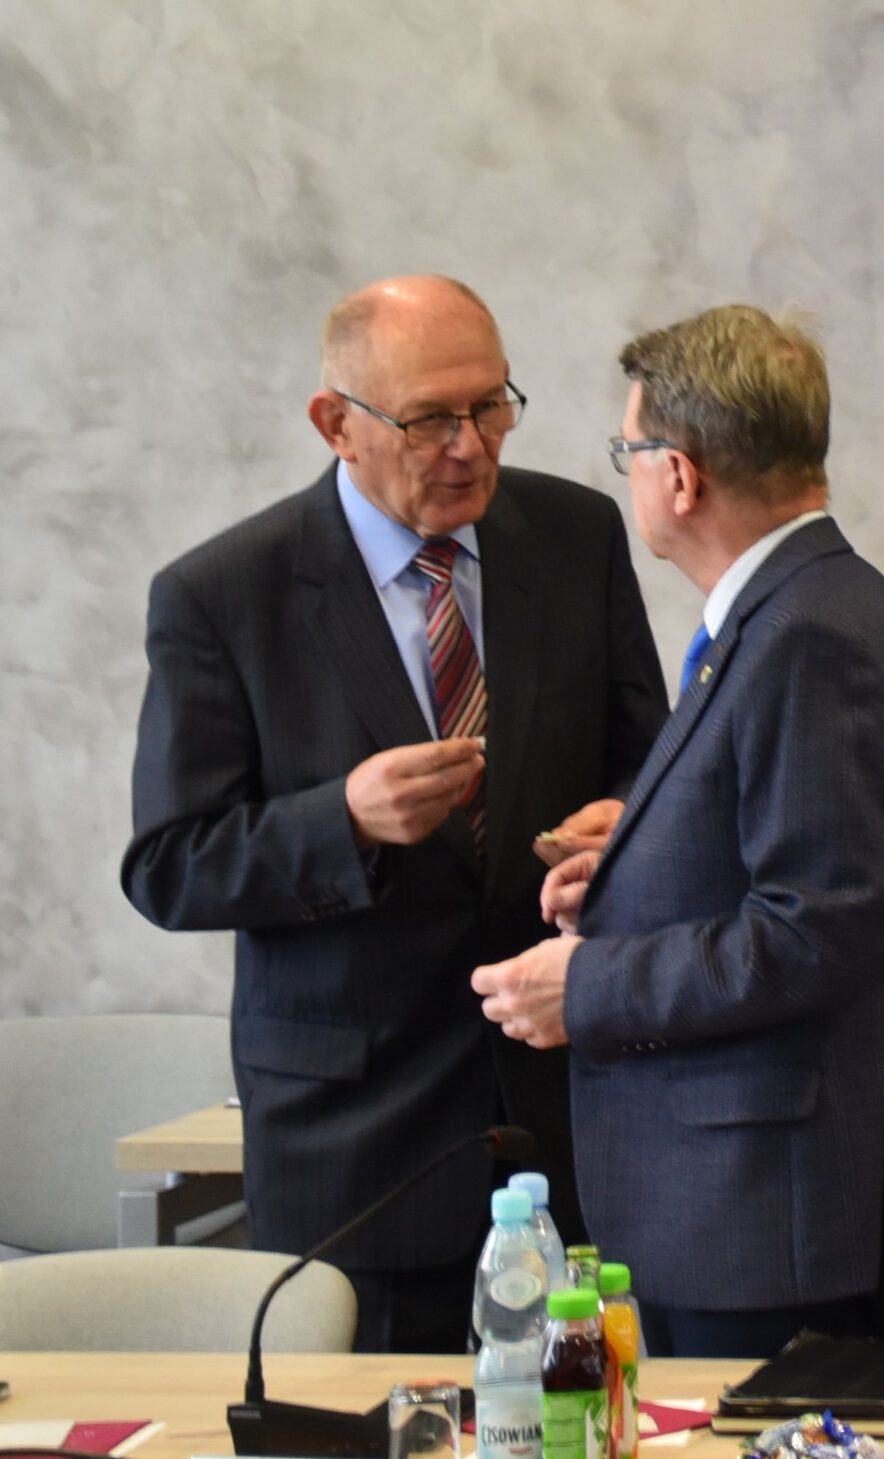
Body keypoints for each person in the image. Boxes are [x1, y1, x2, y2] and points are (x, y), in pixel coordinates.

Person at [121, 275, 668, 1352]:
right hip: (358, 1153)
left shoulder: (575, 534)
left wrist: (625, 820)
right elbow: (169, 865)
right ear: (337, 424)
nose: (470, 446)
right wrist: (342, 822)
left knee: (580, 1416)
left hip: (570, 1121)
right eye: (429, 420)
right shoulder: (223, 595)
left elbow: (653, 762)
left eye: (491, 405)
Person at [469, 305, 884, 1359]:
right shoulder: (801, 608)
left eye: (627, 450)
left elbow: (812, 931)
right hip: (739, 1206)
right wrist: (632, 866)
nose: (628, 475)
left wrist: (587, 984)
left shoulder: (809, 632)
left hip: (762, 1214)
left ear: (679, 475)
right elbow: (780, 855)